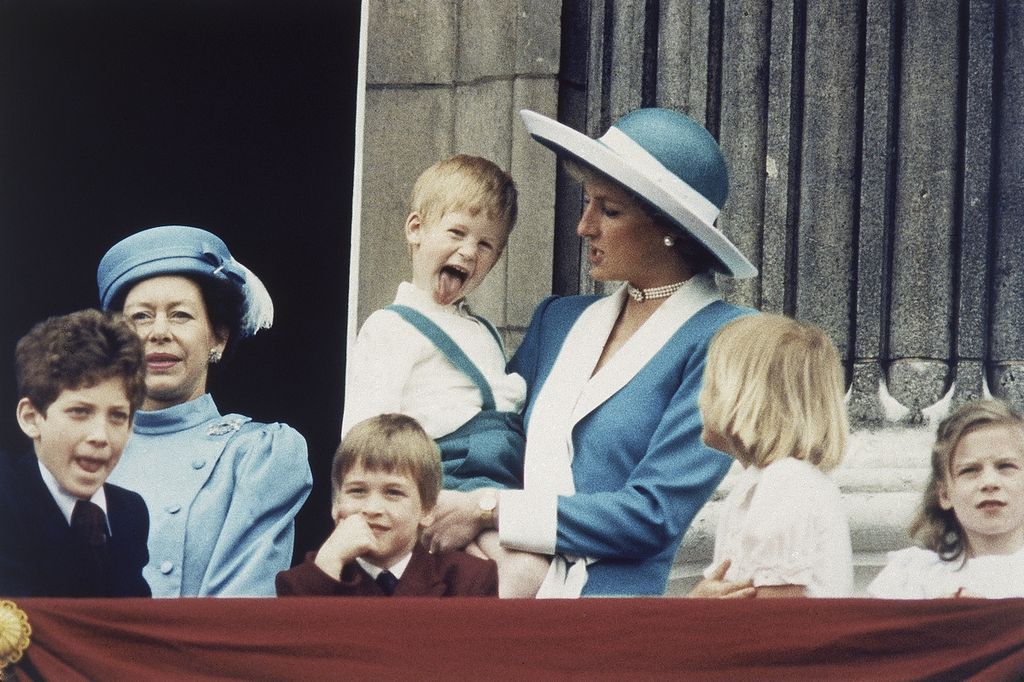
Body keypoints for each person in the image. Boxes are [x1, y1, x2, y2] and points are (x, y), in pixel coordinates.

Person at [423, 107, 758, 597]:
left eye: (609, 209)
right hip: (489, 599)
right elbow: (492, 444)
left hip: (609, 625)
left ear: (671, 227)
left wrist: (488, 509)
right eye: (587, 202)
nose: (584, 226)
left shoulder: (725, 340)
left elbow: (653, 514)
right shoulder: (558, 321)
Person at [342, 155, 544, 596]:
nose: (469, 251)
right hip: (441, 487)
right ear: (416, 229)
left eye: (486, 245)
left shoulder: (482, 330)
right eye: (456, 233)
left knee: (531, 571)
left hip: (495, 490)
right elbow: (365, 435)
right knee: (521, 573)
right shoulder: (391, 327)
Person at [96, 225, 312, 597]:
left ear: (219, 338)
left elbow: (236, 614)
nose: (158, 332)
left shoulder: (257, 455)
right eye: (141, 317)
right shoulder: (83, 450)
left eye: (180, 315)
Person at [689, 313, 853, 598]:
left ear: (746, 397)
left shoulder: (788, 482)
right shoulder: (762, 482)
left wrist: (701, 614)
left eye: (711, 385)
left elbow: (776, 620)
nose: (699, 399)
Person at [0, 309, 151, 597]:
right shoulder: (6, 495)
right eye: (80, 412)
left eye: (118, 416)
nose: (100, 437)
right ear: (31, 418)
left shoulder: (129, 514)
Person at [277, 414, 498, 597]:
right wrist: (329, 563)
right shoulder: (300, 582)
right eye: (357, 491)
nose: (372, 509)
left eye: (393, 493)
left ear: (428, 509)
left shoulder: (469, 579)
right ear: (336, 505)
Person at [868, 399, 1024, 599]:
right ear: (944, 494)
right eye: (970, 470)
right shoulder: (909, 577)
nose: (989, 482)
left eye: (1005, 466)